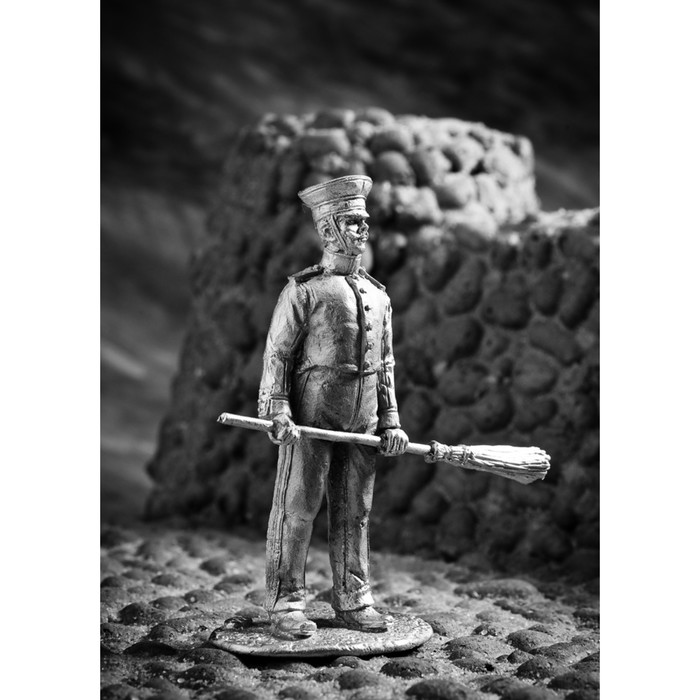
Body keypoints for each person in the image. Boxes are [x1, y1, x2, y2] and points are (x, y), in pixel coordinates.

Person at [258, 175, 409, 639]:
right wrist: (277, 410)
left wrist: (390, 420)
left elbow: (385, 364)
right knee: (298, 507)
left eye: (365, 221)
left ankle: (353, 597)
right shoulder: (304, 291)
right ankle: (286, 602)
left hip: (363, 420)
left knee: (354, 511)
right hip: (312, 416)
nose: (365, 229)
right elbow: (278, 354)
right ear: (328, 230)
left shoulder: (379, 296)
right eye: (353, 222)